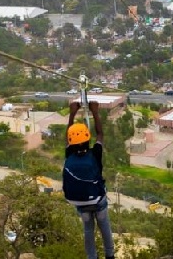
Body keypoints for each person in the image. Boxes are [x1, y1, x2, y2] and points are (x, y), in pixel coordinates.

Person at [63, 100, 115, 259]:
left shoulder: (69, 155)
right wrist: (95, 111)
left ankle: (91, 257)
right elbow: (100, 134)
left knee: (88, 229)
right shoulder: (95, 153)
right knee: (104, 224)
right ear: (87, 138)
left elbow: (68, 138)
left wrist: (72, 113)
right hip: (97, 199)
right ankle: (110, 255)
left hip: (79, 201)